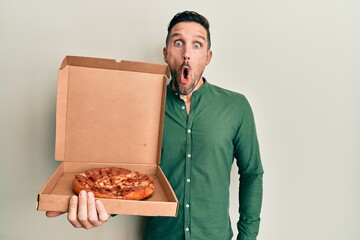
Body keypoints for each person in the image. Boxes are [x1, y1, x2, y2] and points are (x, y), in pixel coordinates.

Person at [47, 10, 264, 240]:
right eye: (178, 42)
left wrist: (247, 238)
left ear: (208, 57)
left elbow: (252, 174)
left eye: (197, 45)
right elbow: (127, 178)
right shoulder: (140, 107)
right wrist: (99, 209)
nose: (187, 54)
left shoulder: (236, 107)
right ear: (165, 53)